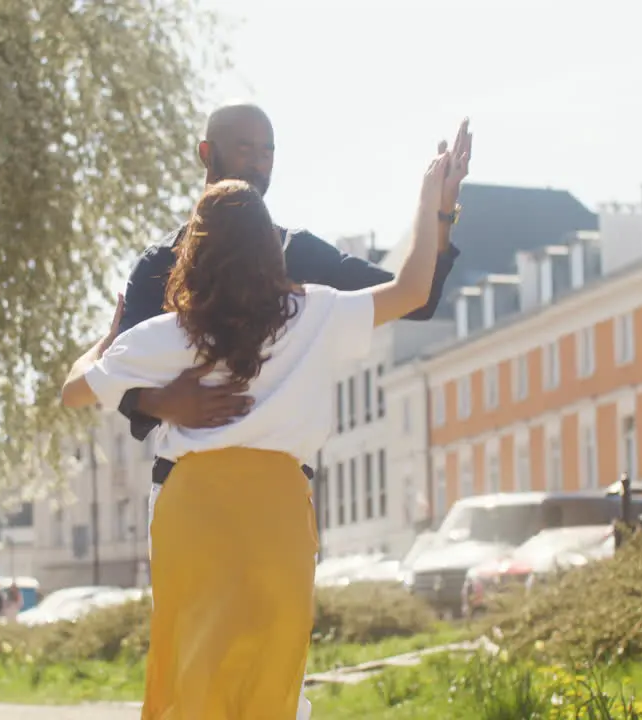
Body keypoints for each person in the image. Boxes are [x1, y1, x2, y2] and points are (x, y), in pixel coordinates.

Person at [59, 135, 466, 717]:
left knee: (193, 665)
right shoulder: (317, 312)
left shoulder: (168, 334)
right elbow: (413, 290)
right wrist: (435, 201)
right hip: (277, 507)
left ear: (196, 250)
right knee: (272, 670)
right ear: (271, 246)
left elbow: (74, 392)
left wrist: (108, 339)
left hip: (191, 506)